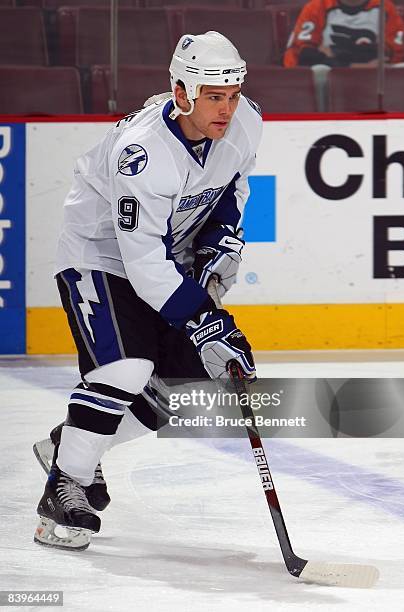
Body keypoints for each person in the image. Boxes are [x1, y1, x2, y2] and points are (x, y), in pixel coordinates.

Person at [33, 31, 263, 550]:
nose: (227, 109)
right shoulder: (142, 154)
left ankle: (69, 447)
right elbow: (143, 266)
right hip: (101, 256)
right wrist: (209, 322)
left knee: (177, 390)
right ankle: (61, 490)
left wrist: (219, 242)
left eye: (231, 94)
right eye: (213, 96)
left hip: (168, 257)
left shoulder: (247, 121)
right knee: (126, 369)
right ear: (182, 93)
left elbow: (230, 188)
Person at [283, 0, 404, 68]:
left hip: (372, 80)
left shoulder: (386, 8)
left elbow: (389, 54)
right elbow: (305, 56)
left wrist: (332, 52)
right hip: (326, 81)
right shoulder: (316, 7)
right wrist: (355, 65)